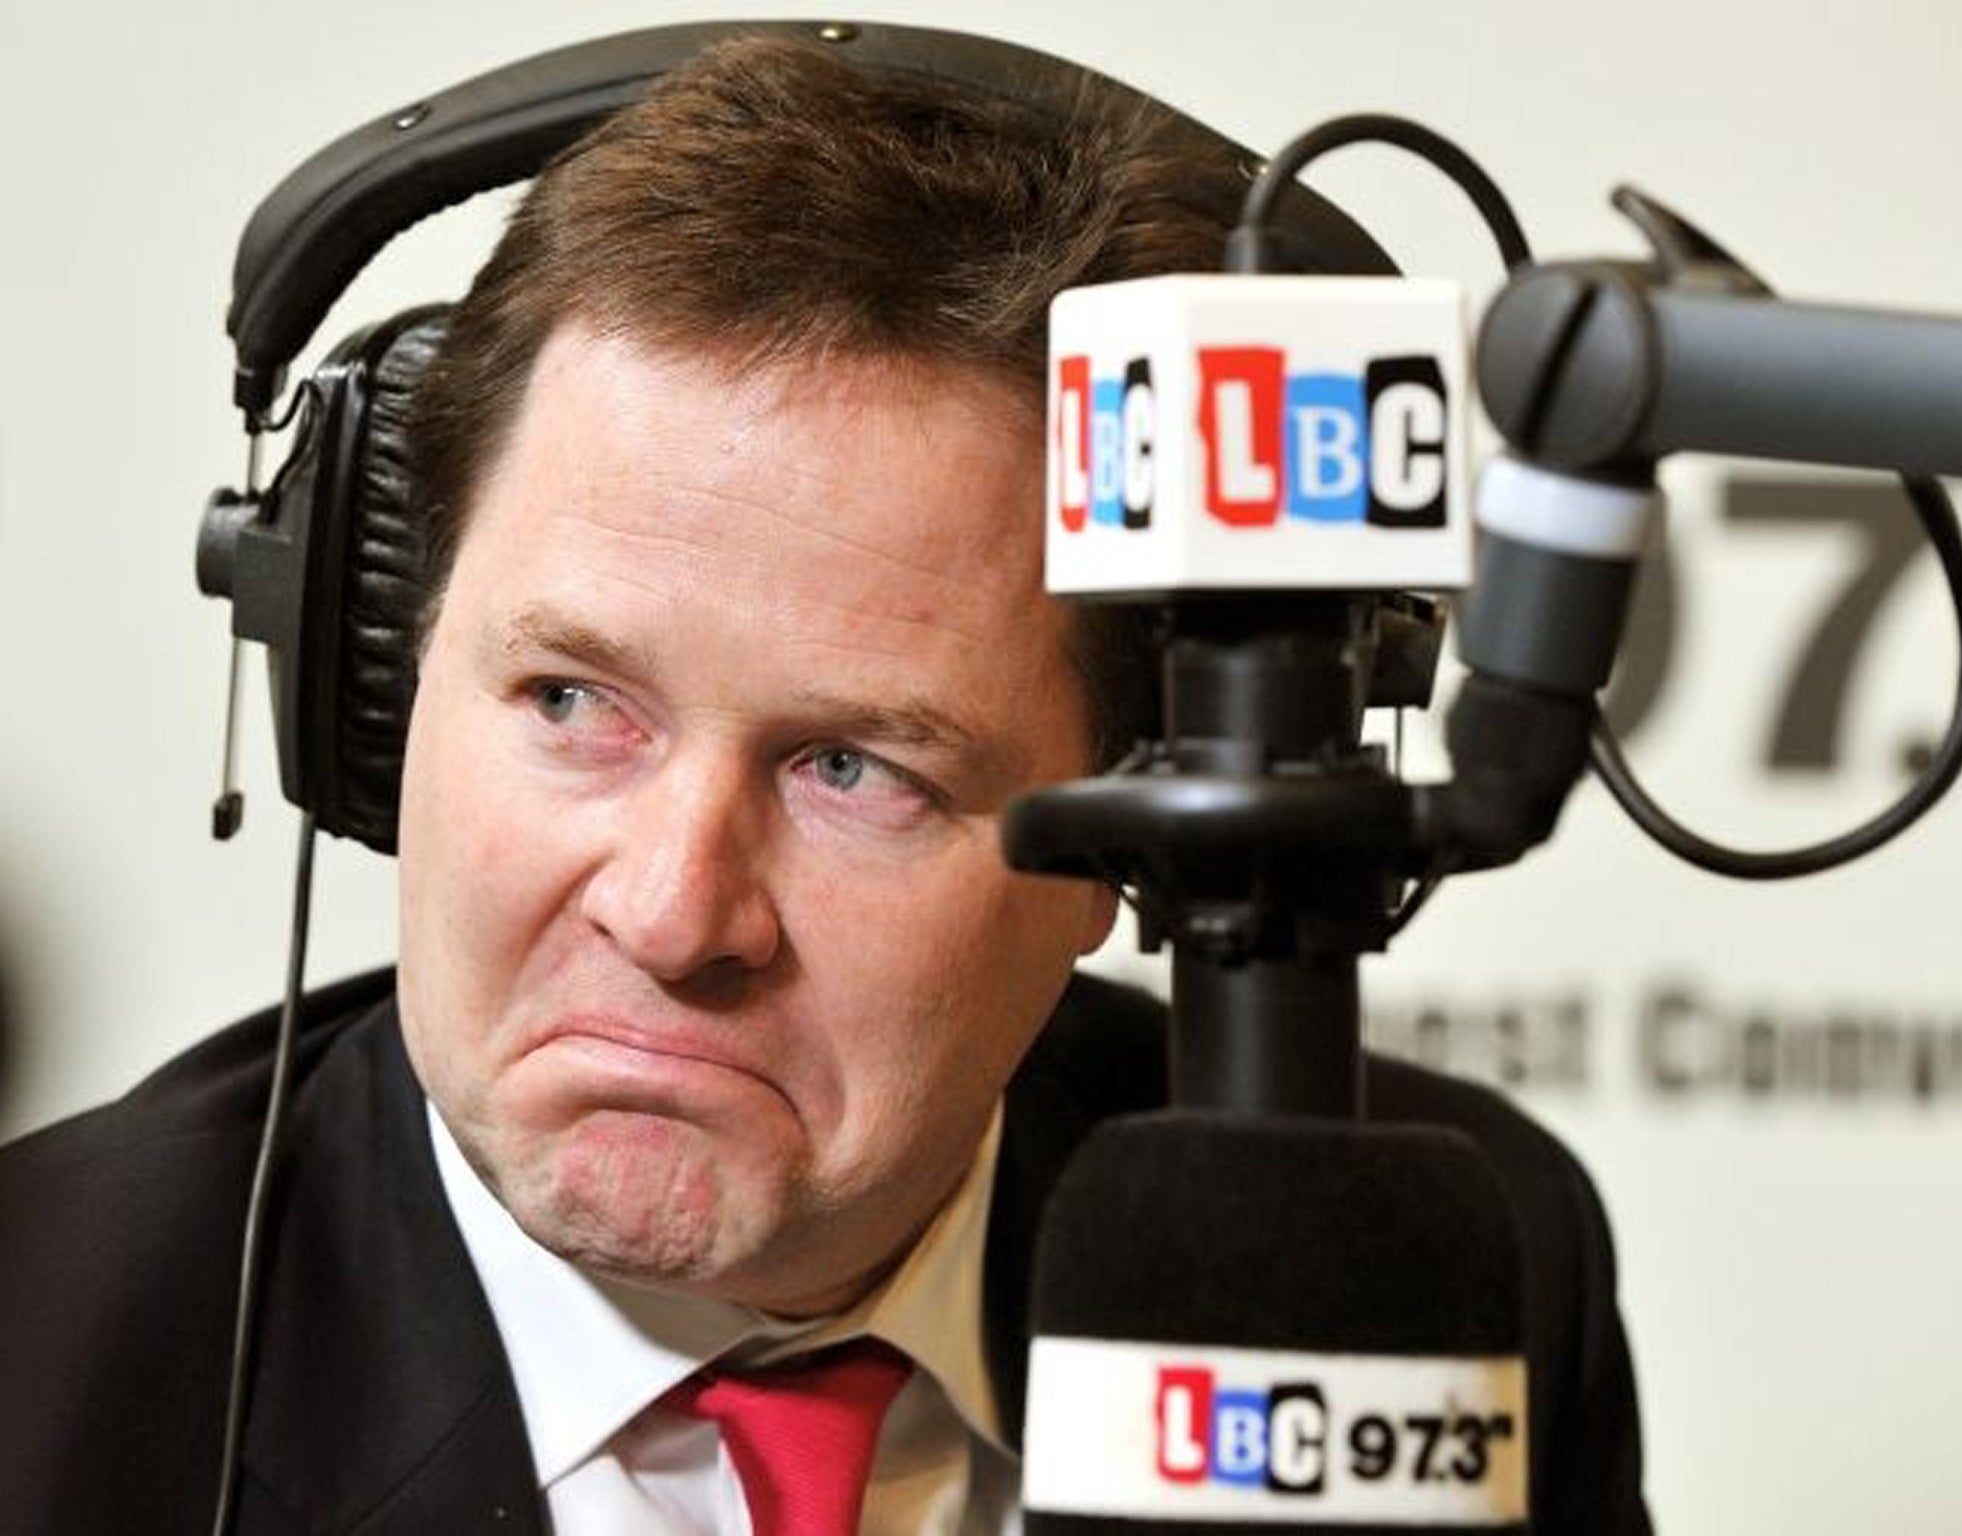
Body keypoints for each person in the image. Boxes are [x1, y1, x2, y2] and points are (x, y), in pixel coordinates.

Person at [0, 33, 1652, 1534]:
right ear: (380, 676)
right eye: (574, 700)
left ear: (1130, 826)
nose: (671, 912)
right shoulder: (47, 1364)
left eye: (854, 768)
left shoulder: (1420, 1291)